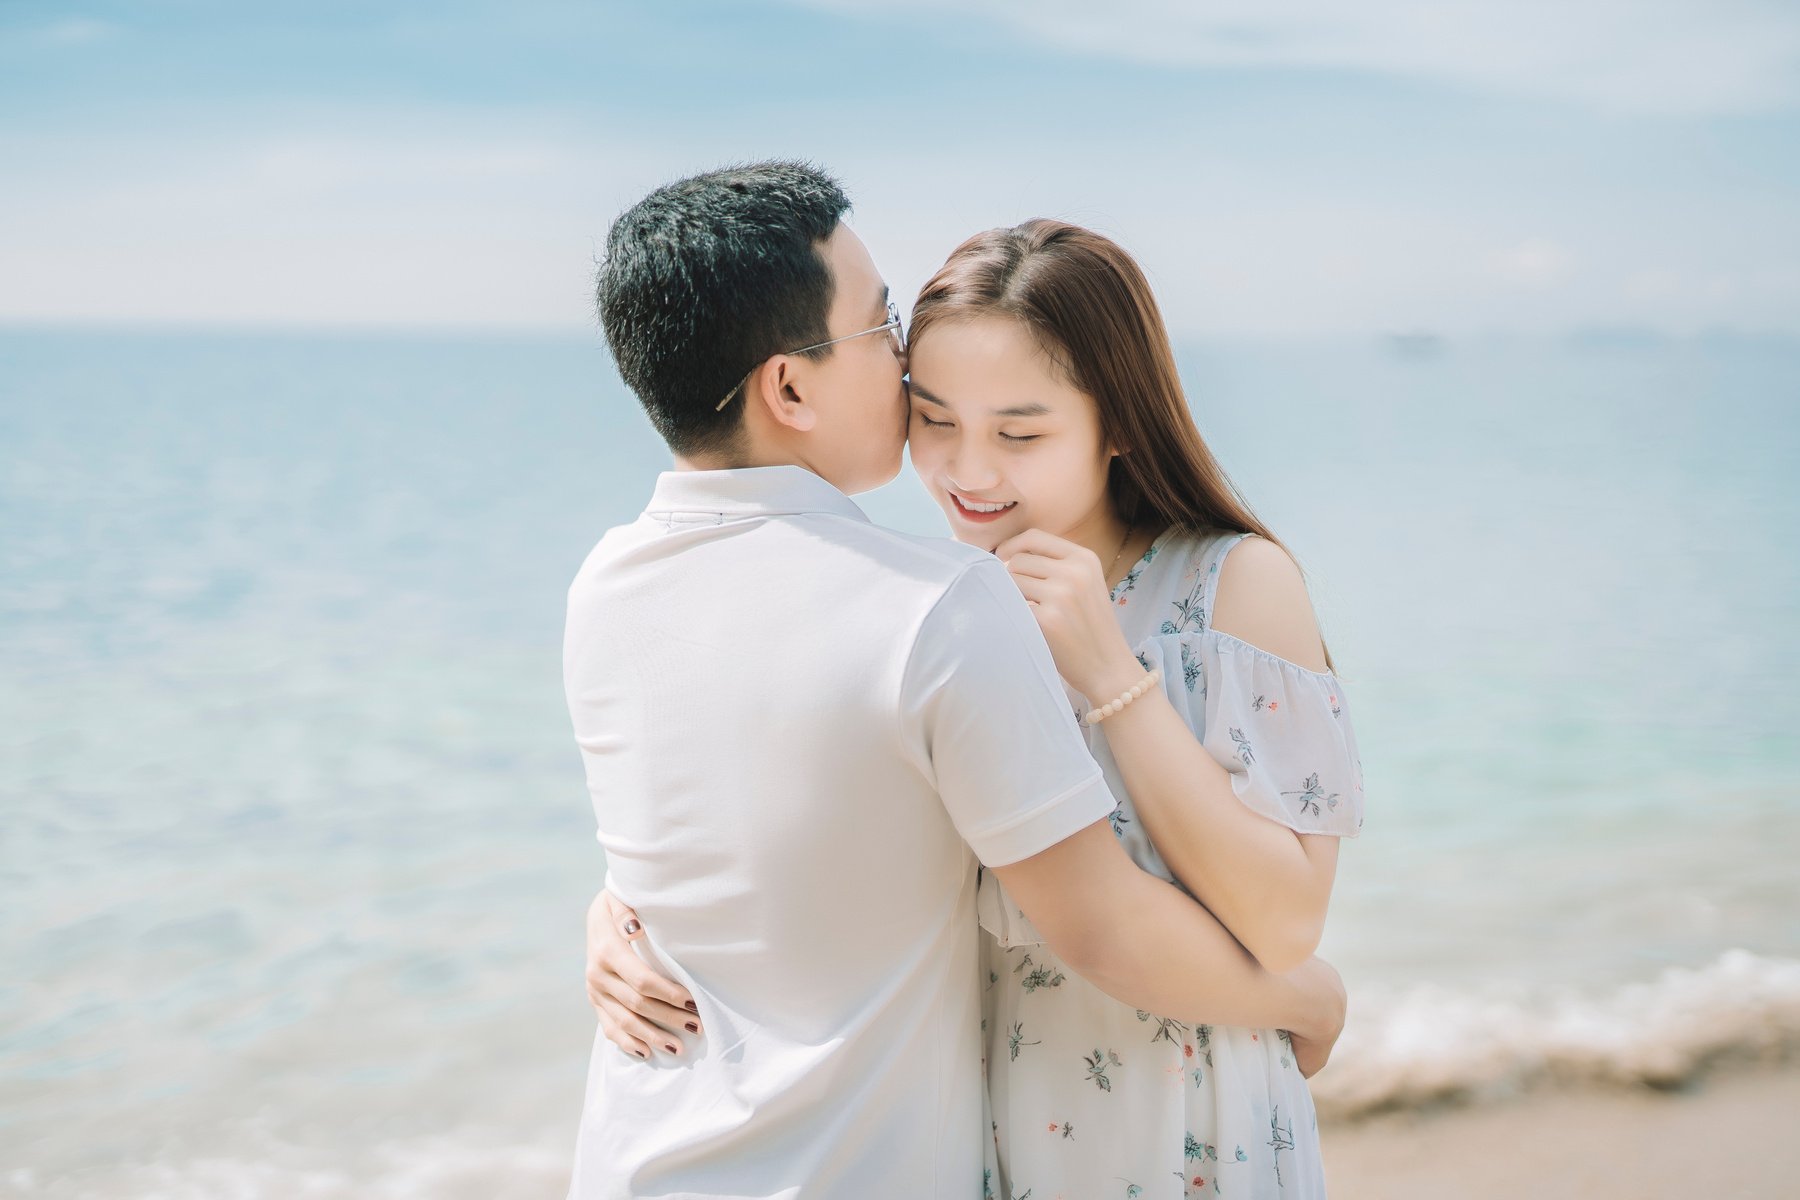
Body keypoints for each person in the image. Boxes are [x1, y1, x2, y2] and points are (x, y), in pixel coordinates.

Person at [565, 161, 1345, 1200]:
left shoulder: (1228, 586)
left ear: (1119, 422)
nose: (969, 472)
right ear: (792, 386)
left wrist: (1114, 676)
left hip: (1177, 1124)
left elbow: (1277, 920)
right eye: (931, 415)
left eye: (1019, 433)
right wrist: (625, 904)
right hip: (983, 1128)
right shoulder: (928, 598)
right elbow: (793, 805)